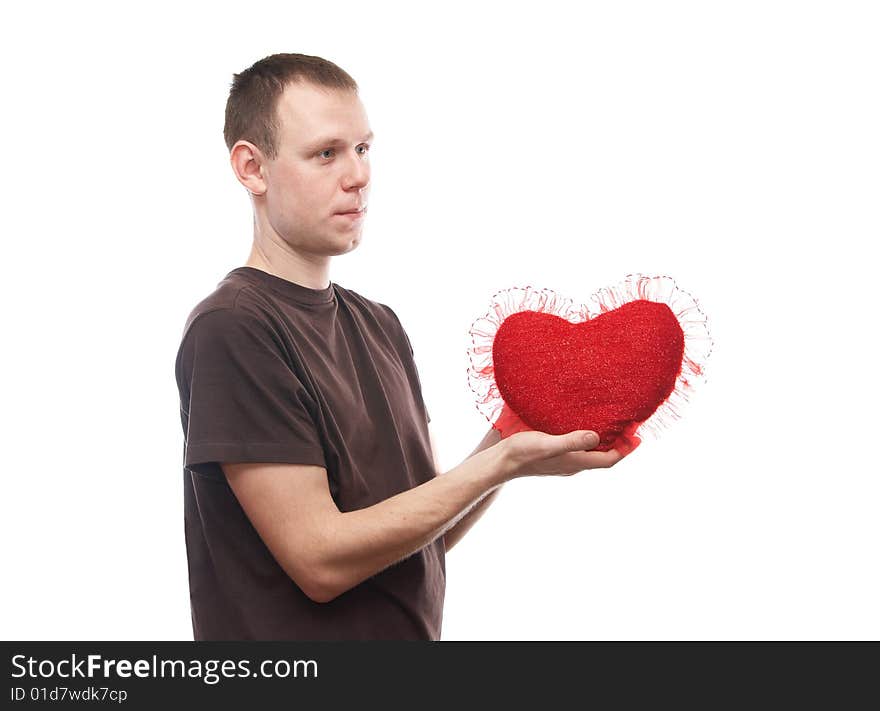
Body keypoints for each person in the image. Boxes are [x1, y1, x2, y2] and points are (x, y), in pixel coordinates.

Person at [174, 52, 636, 641]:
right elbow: (320, 560)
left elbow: (421, 534)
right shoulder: (234, 328)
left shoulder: (379, 325)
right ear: (252, 169)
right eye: (325, 153)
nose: (358, 176)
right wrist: (502, 463)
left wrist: (512, 436)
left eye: (363, 149)